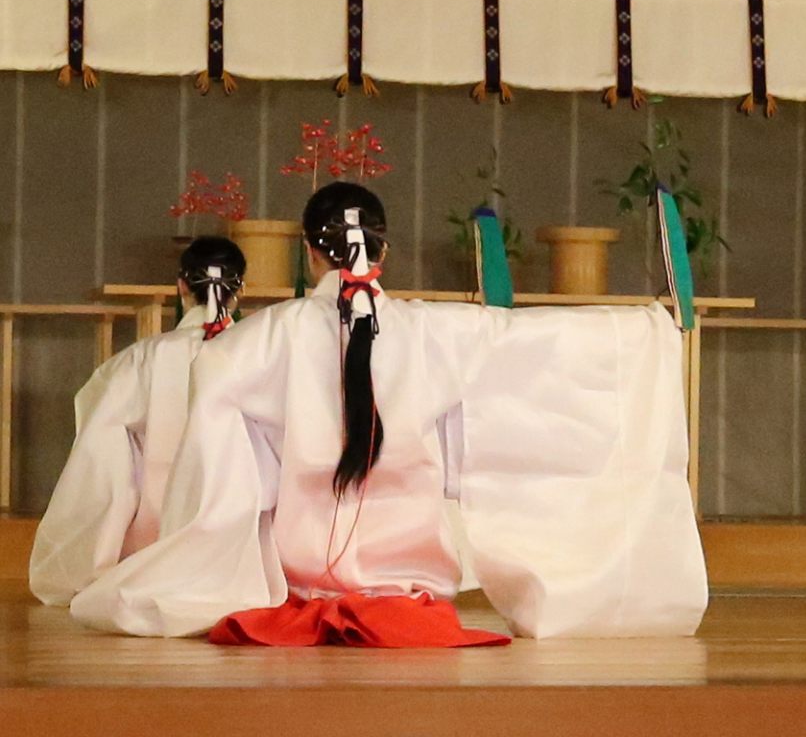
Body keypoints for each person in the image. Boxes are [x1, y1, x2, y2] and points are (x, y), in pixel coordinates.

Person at [67, 182, 706, 645]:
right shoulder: (434, 331)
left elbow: (216, 434)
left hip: (298, 583)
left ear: (310, 255)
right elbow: (533, 346)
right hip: (410, 596)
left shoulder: (263, 338)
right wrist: (646, 327)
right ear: (384, 251)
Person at [30, 237, 246, 604]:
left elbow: (100, 438)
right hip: (238, 531)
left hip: (156, 530)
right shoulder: (255, 350)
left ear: (181, 287)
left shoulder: (145, 357)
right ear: (239, 289)